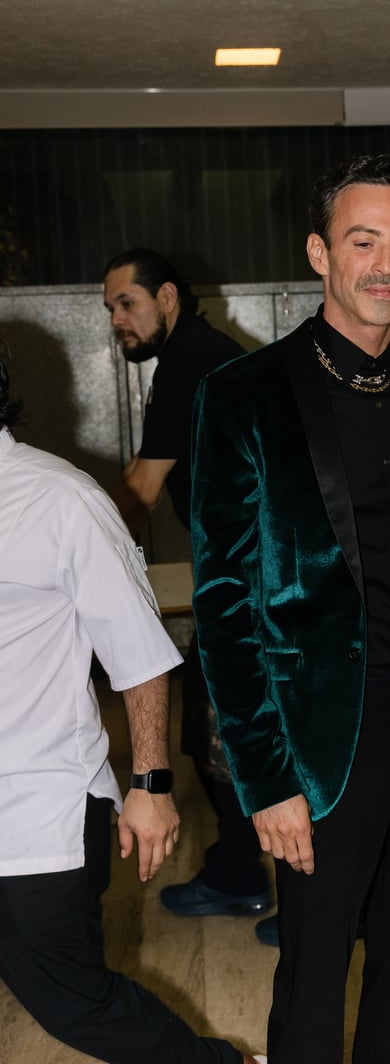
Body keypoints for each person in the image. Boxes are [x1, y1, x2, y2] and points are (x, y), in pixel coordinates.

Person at [190, 153, 390, 1063]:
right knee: (315, 970)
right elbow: (223, 603)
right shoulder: (243, 397)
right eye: (363, 241)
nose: (386, 265)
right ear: (319, 255)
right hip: (326, 738)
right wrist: (266, 777)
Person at [0, 341, 265, 1064]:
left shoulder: (60, 500)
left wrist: (150, 783)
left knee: (70, 998)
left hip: (37, 805)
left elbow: (139, 651)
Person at [103, 248, 274, 928]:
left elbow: (141, 491)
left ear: (167, 297)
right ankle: (239, 868)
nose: (117, 320)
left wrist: (68, 547)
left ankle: (301, 887)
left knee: (229, 727)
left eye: (126, 303)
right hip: (250, 571)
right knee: (217, 723)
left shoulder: (186, 365)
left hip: (260, 579)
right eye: (110, 309)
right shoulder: (204, 355)